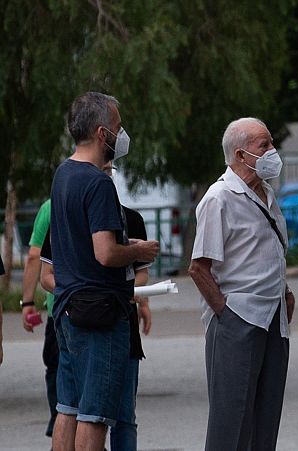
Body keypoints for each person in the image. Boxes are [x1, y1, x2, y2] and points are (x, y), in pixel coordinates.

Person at [50, 91, 159, 451]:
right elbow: (106, 253)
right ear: (101, 133)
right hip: (100, 313)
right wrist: (139, 250)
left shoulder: (63, 173)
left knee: (67, 407)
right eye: (118, 127)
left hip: (67, 308)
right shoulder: (98, 182)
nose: (121, 134)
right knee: (95, 416)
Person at [188, 117, 293, 451]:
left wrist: (285, 293)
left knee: (266, 419)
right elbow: (198, 267)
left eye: (271, 143)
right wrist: (227, 313)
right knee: (230, 422)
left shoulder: (267, 194)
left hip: (273, 319)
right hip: (239, 318)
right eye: (264, 145)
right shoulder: (219, 198)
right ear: (240, 155)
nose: (272, 151)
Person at [20, 198, 60, 438]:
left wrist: (27, 302)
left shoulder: (50, 207)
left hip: (59, 306)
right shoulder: (104, 197)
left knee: (56, 368)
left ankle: (59, 423)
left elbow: (35, 256)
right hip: (98, 307)